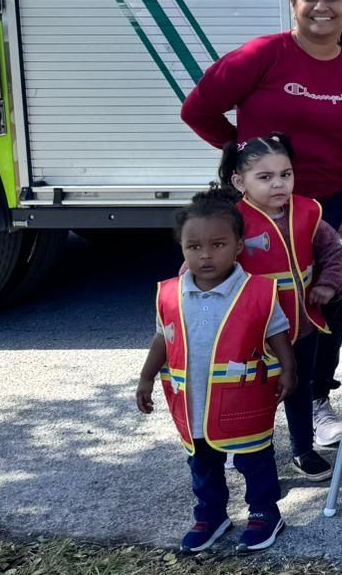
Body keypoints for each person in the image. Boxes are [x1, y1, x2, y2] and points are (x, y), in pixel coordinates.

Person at [181, 0, 342, 449]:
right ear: (294, 4)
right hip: (256, 209)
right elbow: (198, 108)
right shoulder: (262, 55)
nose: (321, 7)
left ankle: (315, 400)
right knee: (249, 305)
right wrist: (245, 156)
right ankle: (245, 408)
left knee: (326, 303)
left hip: (325, 209)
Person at [136, 190, 295, 554]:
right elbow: (163, 338)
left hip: (245, 404)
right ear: (181, 247)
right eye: (193, 247)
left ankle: (264, 513)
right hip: (193, 406)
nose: (205, 255)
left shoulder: (258, 292)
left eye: (217, 244)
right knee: (203, 465)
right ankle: (210, 515)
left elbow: (278, 335)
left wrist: (289, 369)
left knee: (255, 461)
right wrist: (146, 377)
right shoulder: (169, 294)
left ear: (239, 245)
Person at [221, 134, 342, 483]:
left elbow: (333, 252)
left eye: (285, 174)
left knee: (299, 386)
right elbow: (204, 266)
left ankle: (302, 451)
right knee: (251, 390)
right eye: (265, 177)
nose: (278, 183)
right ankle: (242, 446)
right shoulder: (230, 221)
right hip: (252, 331)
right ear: (238, 181)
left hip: (301, 324)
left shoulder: (309, 212)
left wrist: (327, 285)